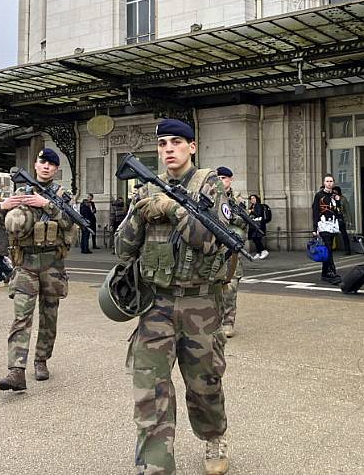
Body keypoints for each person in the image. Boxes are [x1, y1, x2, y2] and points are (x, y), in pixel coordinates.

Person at [115, 119, 230, 475]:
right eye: (163, 142)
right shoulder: (145, 190)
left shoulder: (210, 185)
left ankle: (214, 437)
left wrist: (170, 208)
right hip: (156, 303)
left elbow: (211, 241)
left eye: (176, 141)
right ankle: (156, 463)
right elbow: (122, 249)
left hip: (200, 304)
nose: (168, 148)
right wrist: (139, 211)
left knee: (204, 385)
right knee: (150, 387)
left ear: (192, 147)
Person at [0, 148, 79, 391]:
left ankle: (41, 360)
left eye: (51, 164)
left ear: (56, 169)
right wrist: (3, 207)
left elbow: (69, 223)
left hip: (52, 263)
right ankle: (16, 371)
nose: (46, 167)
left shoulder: (63, 195)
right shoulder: (19, 193)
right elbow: (3, 224)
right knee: (21, 316)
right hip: (25, 264)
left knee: (49, 316)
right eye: (42, 162)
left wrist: (47, 205)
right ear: (35, 164)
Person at [217, 166, 247, 338]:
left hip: (231, 249)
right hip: (213, 248)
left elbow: (244, 223)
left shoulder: (237, 200)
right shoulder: (211, 197)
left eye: (224, 178)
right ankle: (214, 320)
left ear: (230, 179)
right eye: (219, 178)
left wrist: (230, 216)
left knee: (230, 286)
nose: (221, 181)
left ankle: (228, 322)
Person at [312, 174, 342, 284]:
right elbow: (315, 211)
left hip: (332, 224)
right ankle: (331, 271)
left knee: (328, 249)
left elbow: (337, 210)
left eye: (331, 181)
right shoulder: (319, 195)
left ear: (333, 183)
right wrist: (315, 228)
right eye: (327, 181)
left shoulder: (334, 195)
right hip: (323, 224)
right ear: (324, 183)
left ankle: (325, 273)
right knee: (328, 247)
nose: (329, 183)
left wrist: (338, 201)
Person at [248, 194, 269, 259]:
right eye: (251, 199)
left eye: (253, 198)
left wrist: (252, 211)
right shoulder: (252, 206)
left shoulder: (259, 206)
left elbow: (259, 214)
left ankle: (263, 251)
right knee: (255, 239)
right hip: (254, 225)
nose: (252, 200)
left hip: (259, 225)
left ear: (256, 199)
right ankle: (258, 253)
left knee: (257, 239)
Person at [333, 186, 352, 255]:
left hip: (341, 218)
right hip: (332, 219)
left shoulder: (343, 199)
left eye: (336, 192)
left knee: (344, 234)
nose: (334, 193)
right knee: (331, 234)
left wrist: (349, 221)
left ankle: (348, 250)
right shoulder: (331, 199)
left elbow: (347, 210)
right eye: (333, 191)